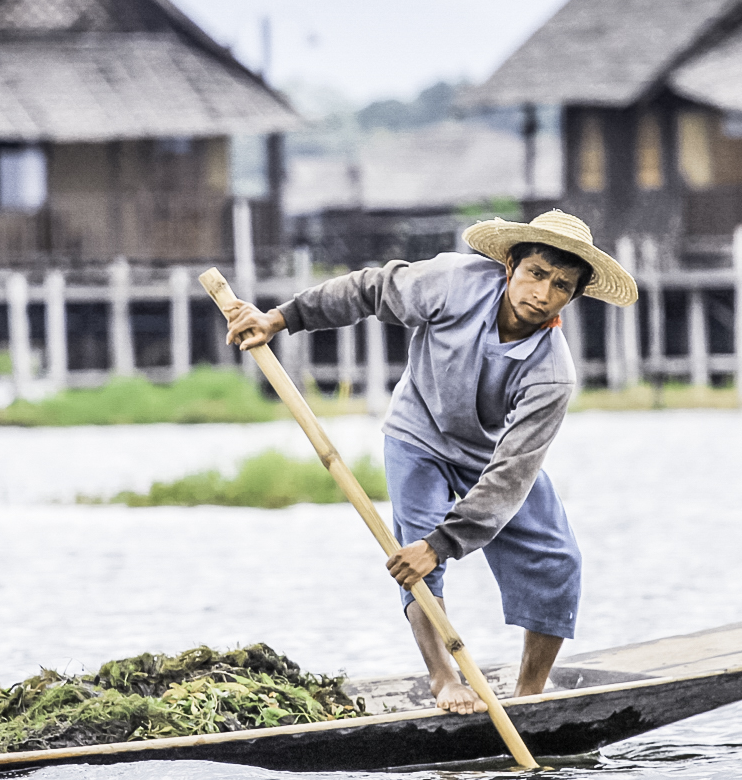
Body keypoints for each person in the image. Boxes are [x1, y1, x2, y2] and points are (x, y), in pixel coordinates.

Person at [223, 210, 637, 713]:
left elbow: (511, 475)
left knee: (556, 558)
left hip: (490, 452)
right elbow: (369, 290)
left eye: (561, 285)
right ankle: (444, 679)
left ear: (572, 296)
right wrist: (280, 318)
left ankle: (530, 694)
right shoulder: (453, 283)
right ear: (510, 267)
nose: (542, 293)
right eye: (535, 274)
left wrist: (445, 543)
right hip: (418, 432)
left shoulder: (553, 374)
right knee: (416, 560)